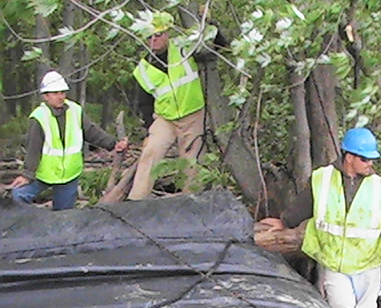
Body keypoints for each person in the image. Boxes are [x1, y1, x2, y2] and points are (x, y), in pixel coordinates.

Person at [261, 128, 381, 308]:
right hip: (333, 259)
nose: (370, 164)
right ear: (349, 157)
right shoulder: (322, 178)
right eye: (365, 159)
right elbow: (304, 206)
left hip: (367, 262)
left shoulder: (380, 187)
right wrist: (284, 222)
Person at [128, 11, 228, 200]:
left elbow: (218, 45)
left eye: (158, 35)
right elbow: (145, 103)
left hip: (192, 115)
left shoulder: (184, 48)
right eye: (149, 36)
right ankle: (136, 201)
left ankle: (191, 202)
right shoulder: (143, 68)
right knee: (150, 153)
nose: (154, 40)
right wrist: (149, 127)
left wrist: (210, 23)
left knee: (191, 162)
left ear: (166, 34)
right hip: (165, 118)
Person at [10, 70, 128, 211]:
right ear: (46, 96)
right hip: (44, 174)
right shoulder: (39, 117)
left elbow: (92, 132)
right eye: (55, 93)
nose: (60, 97)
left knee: (64, 217)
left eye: (62, 92)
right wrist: (27, 175)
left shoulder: (75, 110)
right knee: (19, 195)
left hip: (69, 175)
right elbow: (33, 149)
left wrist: (113, 144)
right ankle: (28, 227)